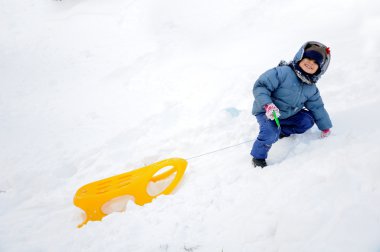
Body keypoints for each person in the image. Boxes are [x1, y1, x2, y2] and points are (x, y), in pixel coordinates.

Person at [250, 41, 332, 168]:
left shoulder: (311, 88)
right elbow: (261, 86)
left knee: (307, 121)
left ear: (319, 69)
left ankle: (282, 131)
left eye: (316, 62)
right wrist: (267, 105)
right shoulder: (282, 73)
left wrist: (325, 127)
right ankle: (258, 157)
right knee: (270, 132)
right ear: (300, 58)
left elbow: (317, 107)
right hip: (266, 110)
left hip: (288, 114)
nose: (311, 63)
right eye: (308, 58)